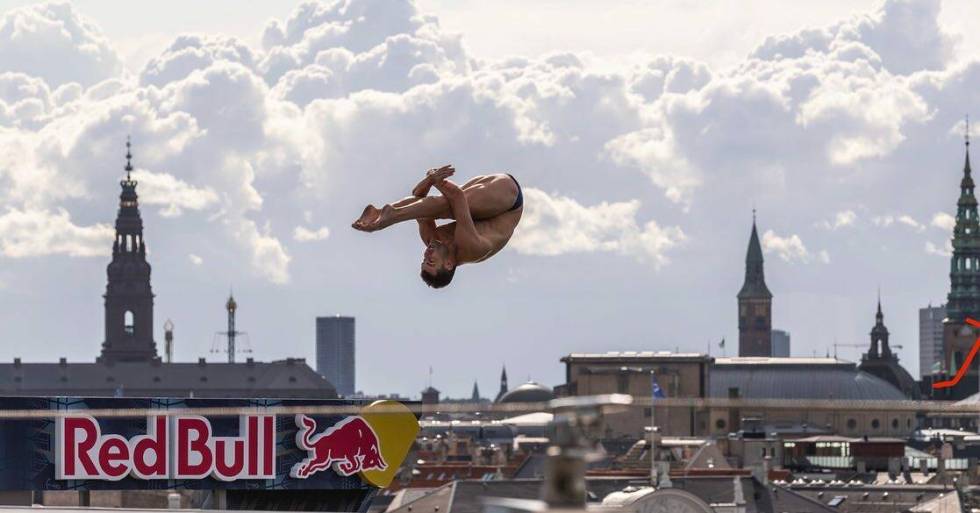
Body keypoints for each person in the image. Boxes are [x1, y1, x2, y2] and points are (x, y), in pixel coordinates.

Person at [352, 165, 523, 288]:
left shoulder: (432, 240)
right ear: (448, 264)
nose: (427, 254)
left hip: (479, 201)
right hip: (508, 197)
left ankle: (384, 213)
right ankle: (388, 217)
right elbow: (456, 196)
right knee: (446, 206)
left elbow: (417, 197)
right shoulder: (471, 247)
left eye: (424, 260)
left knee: (428, 211)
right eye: (431, 261)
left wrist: (429, 180)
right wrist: (436, 179)